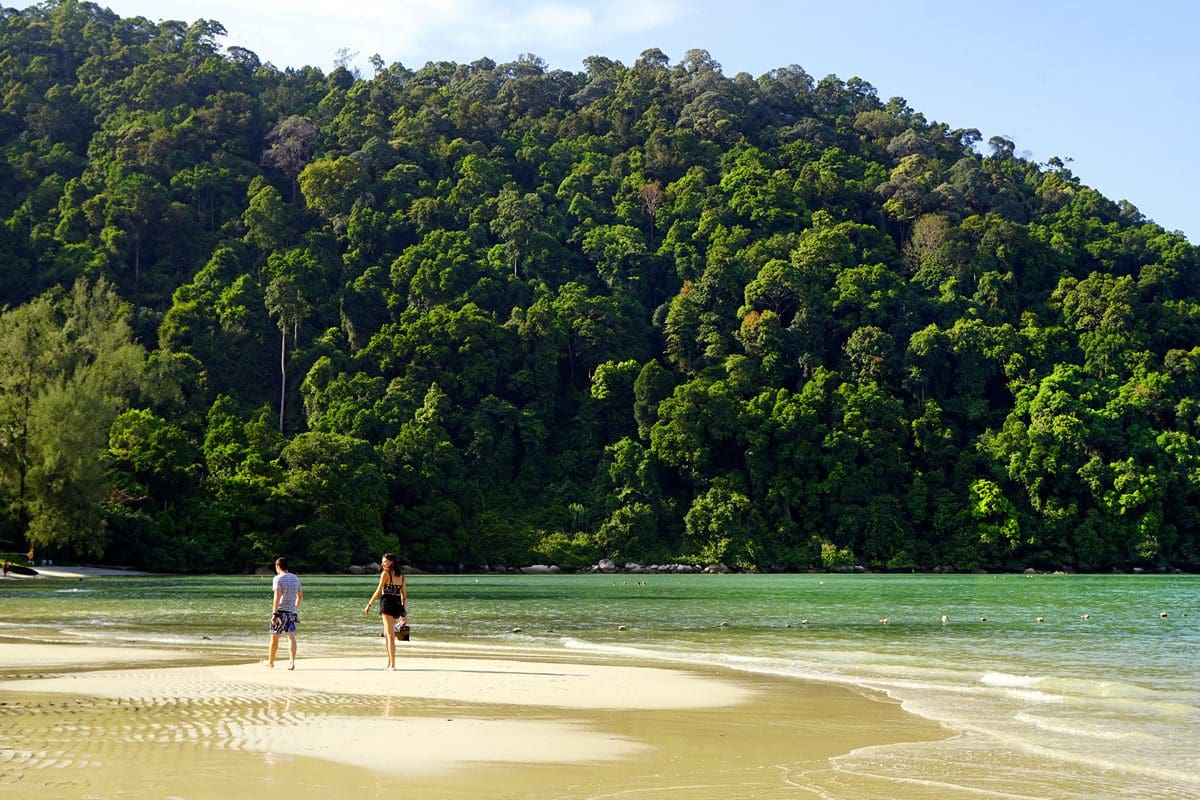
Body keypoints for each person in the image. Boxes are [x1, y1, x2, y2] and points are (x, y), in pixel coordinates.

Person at [363, 553, 406, 670]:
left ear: (391, 562)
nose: (382, 564)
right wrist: (404, 612)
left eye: (385, 561)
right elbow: (404, 597)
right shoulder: (401, 575)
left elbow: (378, 591)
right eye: (382, 562)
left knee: (390, 635)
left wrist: (369, 604)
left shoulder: (385, 574)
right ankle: (390, 662)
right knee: (387, 634)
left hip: (387, 602)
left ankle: (393, 665)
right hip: (397, 603)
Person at [267, 557, 303, 670]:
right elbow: (300, 596)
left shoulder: (278, 579)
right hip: (291, 613)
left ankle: (271, 662)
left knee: (274, 638)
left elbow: (276, 597)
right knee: (291, 637)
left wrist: (274, 613)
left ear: (278, 566)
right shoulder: (296, 578)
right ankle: (291, 662)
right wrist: (294, 608)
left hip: (280, 612)